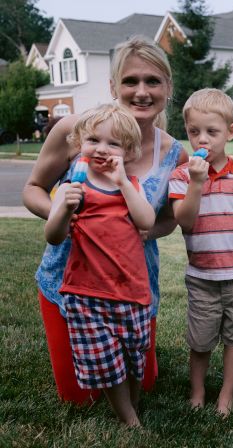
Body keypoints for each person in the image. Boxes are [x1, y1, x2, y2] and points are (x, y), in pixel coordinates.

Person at [23, 36, 187, 404]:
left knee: (144, 384)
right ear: (113, 87)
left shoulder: (174, 154)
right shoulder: (78, 131)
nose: (141, 91)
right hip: (69, 284)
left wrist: (146, 230)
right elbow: (33, 188)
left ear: (167, 88)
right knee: (80, 397)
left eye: (152, 81)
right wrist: (62, 213)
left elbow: (169, 220)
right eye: (130, 81)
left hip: (132, 287)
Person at [44, 104, 156, 426]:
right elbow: (53, 236)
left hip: (131, 291)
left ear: (128, 151)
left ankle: (132, 404)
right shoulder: (71, 187)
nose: (102, 149)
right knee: (106, 363)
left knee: (134, 357)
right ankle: (129, 419)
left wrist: (123, 183)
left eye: (113, 143)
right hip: (86, 292)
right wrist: (64, 210)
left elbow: (147, 221)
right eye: (94, 140)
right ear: (79, 142)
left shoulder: (130, 185)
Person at [169, 89, 233, 415]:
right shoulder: (182, 176)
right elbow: (184, 221)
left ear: (230, 132)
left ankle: (227, 393)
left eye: (212, 131)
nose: (202, 139)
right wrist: (196, 182)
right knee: (201, 340)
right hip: (202, 277)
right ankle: (197, 390)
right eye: (194, 132)